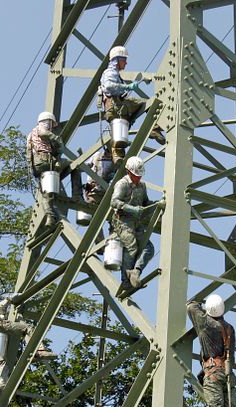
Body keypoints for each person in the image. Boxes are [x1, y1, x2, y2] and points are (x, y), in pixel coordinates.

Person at [0, 296, 55, 397]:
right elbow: (1, 306)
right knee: (27, 328)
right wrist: (12, 298)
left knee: (2, 361)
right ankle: (39, 350)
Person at [100, 46, 165, 145]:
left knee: (119, 141)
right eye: (124, 60)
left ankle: (117, 156)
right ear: (117, 60)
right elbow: (109, 86)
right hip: (116, 106)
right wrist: (127, 86)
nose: (126, 63)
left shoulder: (114, 74)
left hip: (113, 109)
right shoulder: (110, 72)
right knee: (148, 103)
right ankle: (155, 128)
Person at [110, 156, 157, 294]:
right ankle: (125, 281)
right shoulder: (122, 184)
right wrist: (130, 209)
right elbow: (114, 202)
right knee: (131, 247)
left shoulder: (142, 186)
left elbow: (145, 202)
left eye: (139, 176)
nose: (138, 178)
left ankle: (135, 272)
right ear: (129, 172)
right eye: (136, 175)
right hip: (122, 221)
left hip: (136, 221)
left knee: (148, 248)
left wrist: (156, 205)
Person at [27, 111, 82, 226]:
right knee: (75, 165)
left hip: (37, 167)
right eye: (51, 124)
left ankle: (49, 216)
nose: (51, 127)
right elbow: (44, 133)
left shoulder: (30, 136)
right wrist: (56, 138)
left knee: (46, 193)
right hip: (47, 162)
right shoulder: (39, 130)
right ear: (47, 122)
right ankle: (77, 195)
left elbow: (29, 154)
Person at [187, 294, 236, 407]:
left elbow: (191, 307)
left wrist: (201, 307)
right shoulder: (230, 328)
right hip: (228, 376)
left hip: (212, 374)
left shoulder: (205, 323)